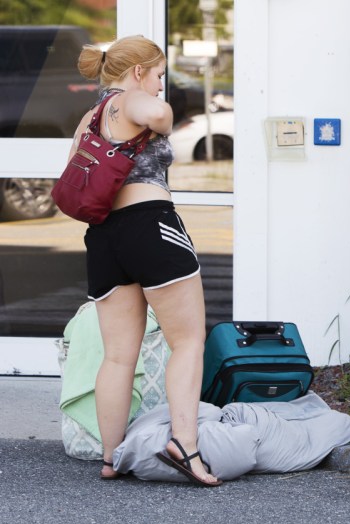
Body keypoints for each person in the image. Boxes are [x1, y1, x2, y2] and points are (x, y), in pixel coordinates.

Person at [71, 35, 221, 486]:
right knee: (189, 341)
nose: (160, 87)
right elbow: (156, 115)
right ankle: (186, 447)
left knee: (118, 356)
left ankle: (111, 456)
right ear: (138, 72)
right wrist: (158, 109)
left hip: (105, 237)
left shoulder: (89, 115)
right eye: (158, 76)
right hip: (150, 225)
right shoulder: (130, 99)